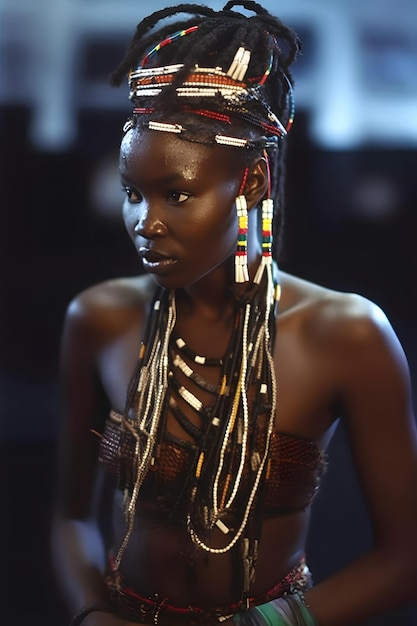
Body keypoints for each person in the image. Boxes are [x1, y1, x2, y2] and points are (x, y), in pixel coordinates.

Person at [51, 2, 417, 625]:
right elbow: (70, 517)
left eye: (178, 193)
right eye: (132, 193)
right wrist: (93, 615)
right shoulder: (100, 318)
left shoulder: (346, 334)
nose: (147, 223)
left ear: (249, 184)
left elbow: (407, 559)